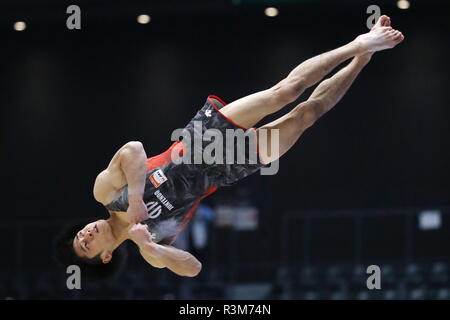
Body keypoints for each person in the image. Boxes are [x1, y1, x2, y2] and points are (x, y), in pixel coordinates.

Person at [55, 16, 404, 282]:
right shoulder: (151, 241)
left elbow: (132, 149)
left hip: (202, 141)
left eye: (80, 234)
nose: (86, 234)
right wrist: (148, 245)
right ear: (104, 257)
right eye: (86, 244)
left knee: (283, 93)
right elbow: (192, 268)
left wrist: (134, 199)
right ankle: (363, 60)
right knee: (306, 115)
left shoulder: (106, 194)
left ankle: (358, 44)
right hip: (228, 168)